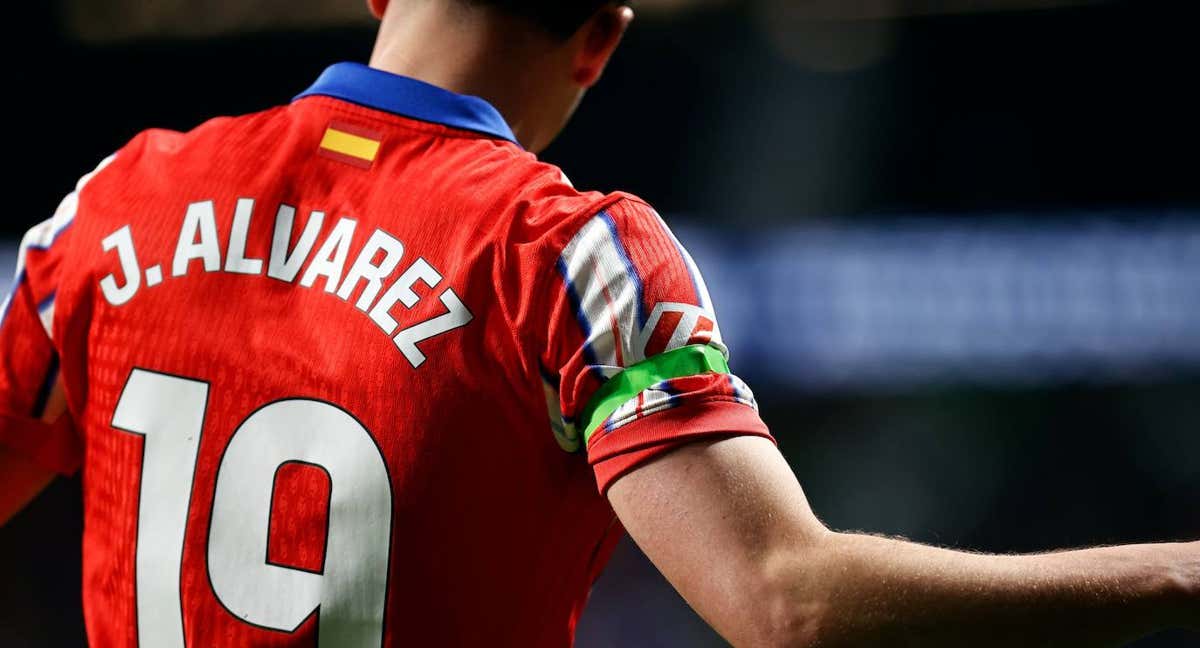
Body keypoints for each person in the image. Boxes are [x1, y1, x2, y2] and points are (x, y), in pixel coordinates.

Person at [0, 0, 1195, 645]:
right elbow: (791, 603)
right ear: (602, 36)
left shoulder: (115, 201)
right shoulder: (562, 249)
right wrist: (1176, 572)